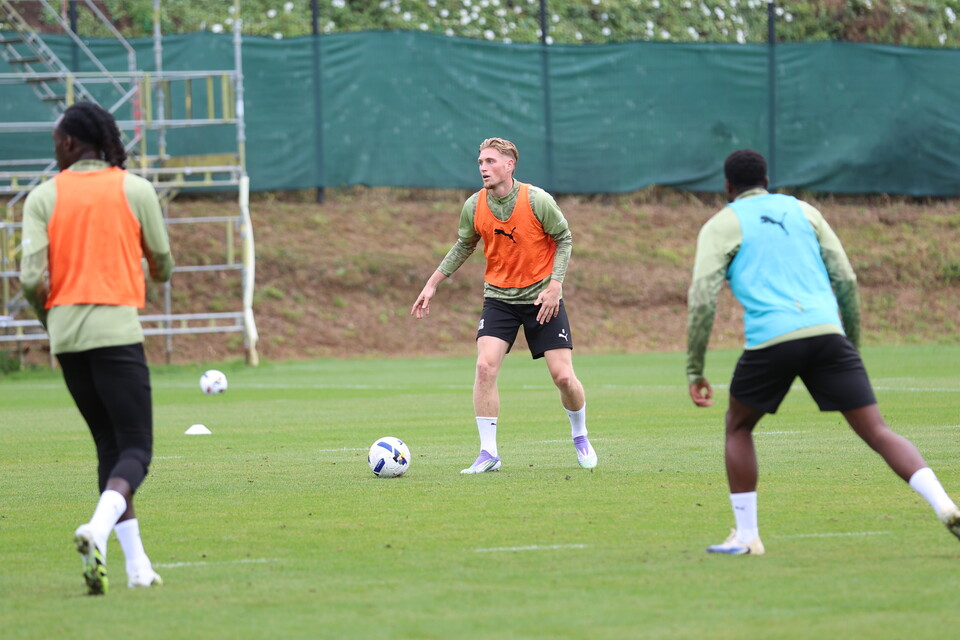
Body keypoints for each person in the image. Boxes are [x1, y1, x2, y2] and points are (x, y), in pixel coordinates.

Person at [686, 148, 960, 555]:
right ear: (767, 180)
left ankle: (747, 537)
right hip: (828, 334)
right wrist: (851, 345)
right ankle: (945, 504)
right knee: (877, 431)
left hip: (771, 339)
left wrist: (695, 370)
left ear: (727, 186)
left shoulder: (721, 224)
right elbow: (846, 279)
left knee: (739, 427)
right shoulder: (805, 211)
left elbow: (703, 299)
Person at [21, 102, 174, 593]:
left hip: (66, 337)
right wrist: (155, 269)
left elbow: (29, 279)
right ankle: (97, 529)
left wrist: (53, 322)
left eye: (55, 142)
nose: (54, 149)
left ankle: (136, 568)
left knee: (109, 449)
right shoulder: (135, 189)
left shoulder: (42, 196)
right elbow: (163, 260)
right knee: (138, 450)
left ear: (69, 143)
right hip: (115, 331)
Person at [410, 137, 596, 474]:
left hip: (542, 298)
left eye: (491, 161)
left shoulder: (537, 200)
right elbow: (463, 245)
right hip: (499, 299)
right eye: (480, 162)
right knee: (484, 368)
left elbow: (564, 239)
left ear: (510, 165)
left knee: (564, 378)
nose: (483, 167)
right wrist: (432, 283)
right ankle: (488, 453)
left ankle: (580, 434)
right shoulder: (474, 205)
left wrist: (556, 285)